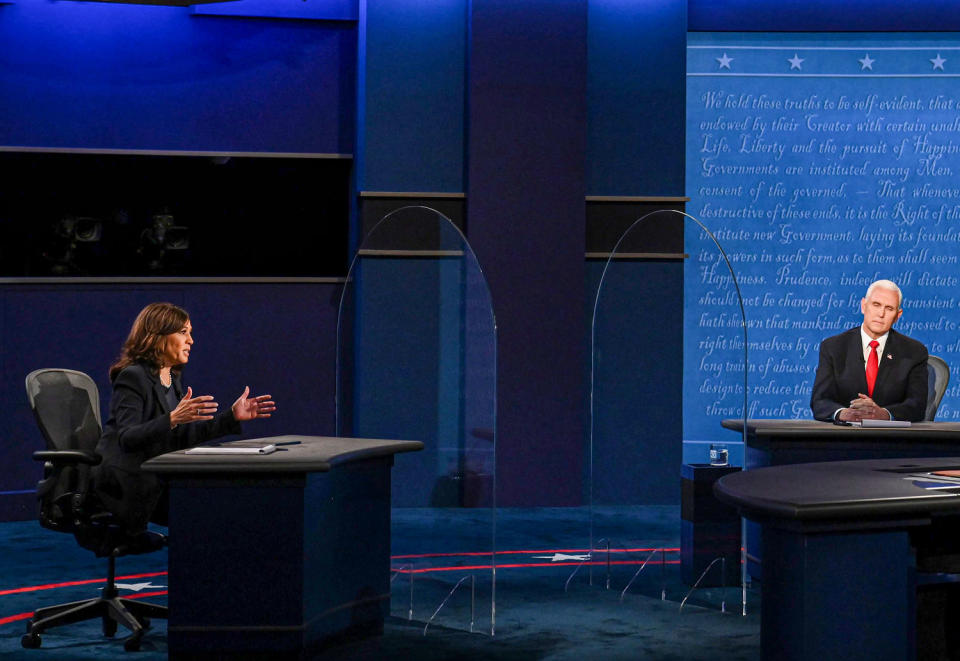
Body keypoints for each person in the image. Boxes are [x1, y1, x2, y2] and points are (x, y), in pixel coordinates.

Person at [93, 302, 276, 533]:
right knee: (207, 506)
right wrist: (171, 419)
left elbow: (179, 437)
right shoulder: (133, 377)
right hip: (128, 480)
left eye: (190, 333)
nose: (191, 341)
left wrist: (231, 417)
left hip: (158, 475)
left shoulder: (171, 378)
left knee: (221, 500)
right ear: (158, 336)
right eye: (183, 332)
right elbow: (127, 438)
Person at [810, 279, 928, 422]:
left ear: (898, 315)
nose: (881, 314)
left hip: (892, 439)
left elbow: (917, 405)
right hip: (844, 437)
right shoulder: (834, 347)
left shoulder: (914, 352)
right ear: (863, 306)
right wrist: (844, 414)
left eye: (889, 308)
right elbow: (820, 401)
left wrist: (883, 414)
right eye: (876, 305)